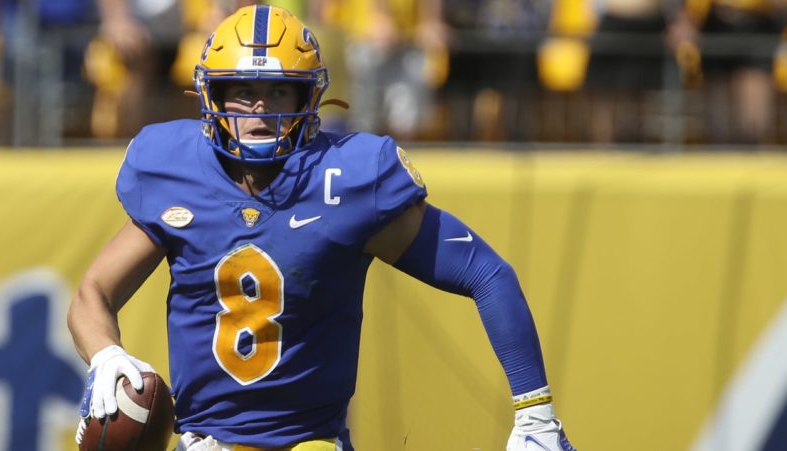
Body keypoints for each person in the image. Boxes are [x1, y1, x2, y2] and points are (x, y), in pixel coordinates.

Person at [68, 5, 575, 451]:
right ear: (213, 97)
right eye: (243, 91)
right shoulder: (175, 172)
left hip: (308, 443)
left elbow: (485, 273)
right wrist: (105, 355)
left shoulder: (346, 179)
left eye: (278, 91)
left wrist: (536, 413)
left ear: (309, 95)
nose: (260, 110)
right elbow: (93, 293)